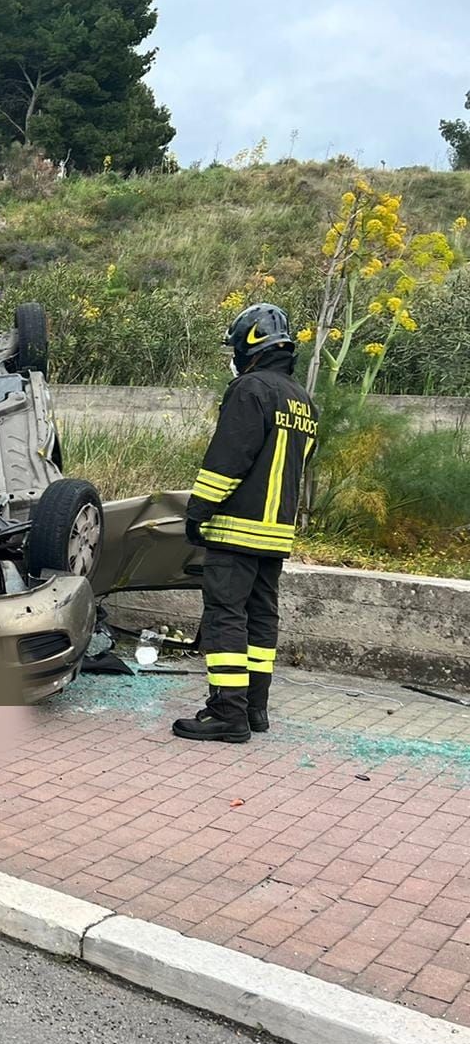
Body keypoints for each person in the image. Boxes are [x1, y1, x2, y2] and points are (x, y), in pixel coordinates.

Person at [172, 303, 318, 743]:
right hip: (275, 534)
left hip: (236, 529)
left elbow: (228, 458)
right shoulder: (302, 400)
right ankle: (255, 709)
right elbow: (301, 463)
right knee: (260, 620)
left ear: (249, 343)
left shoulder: (249, 389)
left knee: (224, 617)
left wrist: (198, 509)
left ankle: (226, 713)